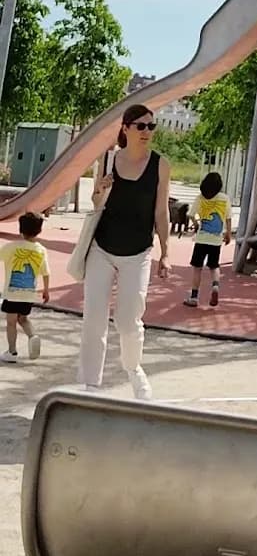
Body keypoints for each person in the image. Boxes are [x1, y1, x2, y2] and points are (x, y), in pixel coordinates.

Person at [79, 103, 170, 400]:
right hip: (102, 249)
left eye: (151, 126)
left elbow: (161, 212)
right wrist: (99, 193)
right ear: (126, 129)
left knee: (129, 320)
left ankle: (134, 369)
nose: (147, 132)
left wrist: (165, 251)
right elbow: (95, 204)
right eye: (141, 126)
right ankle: (89, 382)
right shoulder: (107, 160)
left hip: (138, 252)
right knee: (94, 317)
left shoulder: (160, 165)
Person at [0, 212, 50, 363]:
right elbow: (46, 273)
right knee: (23, 319)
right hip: (29, 293)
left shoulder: (11, 247)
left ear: (20, 230)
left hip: (12, 292)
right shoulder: (40, 250)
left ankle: (12, 352)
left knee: (11, 322)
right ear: (39, 230)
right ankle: (32, 336)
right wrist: (46, 290)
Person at [184, 171, 232, 309]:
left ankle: (194, 297)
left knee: (197, 268)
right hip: (216, 240)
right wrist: (228, 233)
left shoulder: (200, 198)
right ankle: (215, 286)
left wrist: (197, 223)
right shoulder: (224, 198)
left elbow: (191, 215)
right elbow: (228, 218)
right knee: (214, 266)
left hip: (201, 239)